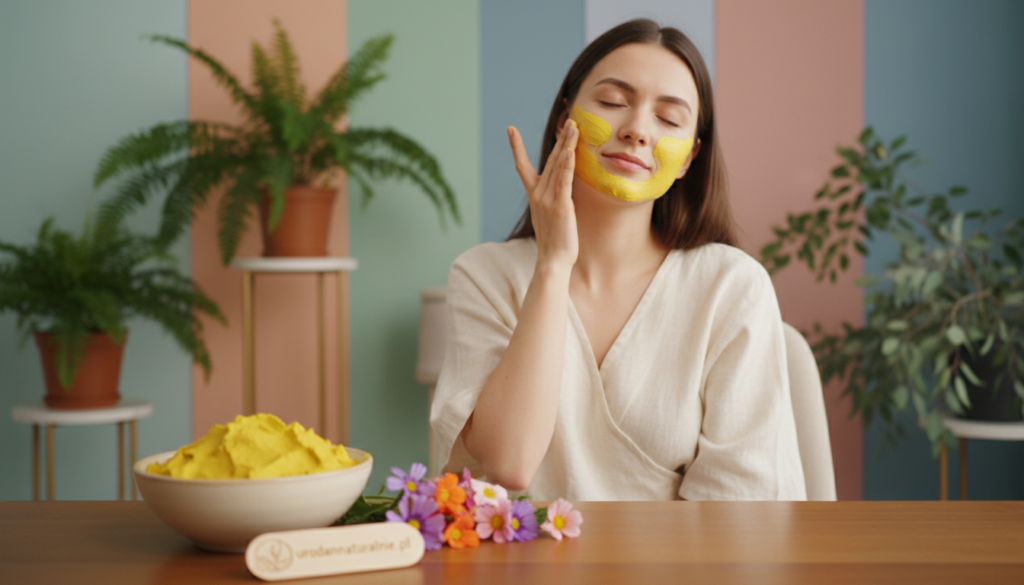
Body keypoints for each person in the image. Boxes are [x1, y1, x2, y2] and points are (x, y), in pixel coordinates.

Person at [430, 19, 806, 501]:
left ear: (689, 159)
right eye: (612, 102)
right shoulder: (483, 276)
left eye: (668, 119)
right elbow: (508, 465)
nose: (635, 131)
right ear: (566, 117)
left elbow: (742, 507)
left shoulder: (731, 286)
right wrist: (552, 266)